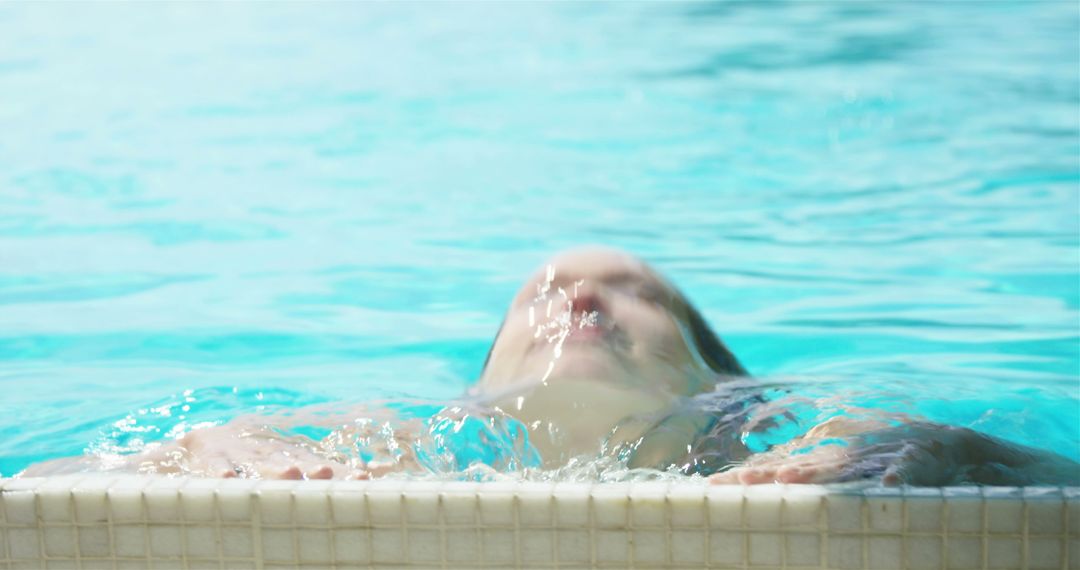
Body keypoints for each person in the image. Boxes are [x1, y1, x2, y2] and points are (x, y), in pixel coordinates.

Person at [21, 247, 1079, 485]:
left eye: (633, 291)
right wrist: (188, 452)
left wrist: (958, 451)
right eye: (543, 296)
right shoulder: (407, 438)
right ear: (479, 386)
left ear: (727, 379)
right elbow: (42, 496)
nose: (575, 300)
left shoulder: (810, 432)